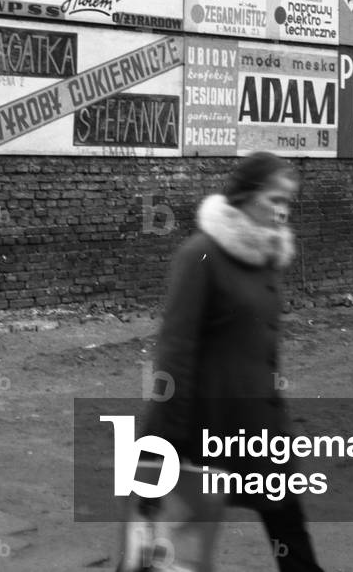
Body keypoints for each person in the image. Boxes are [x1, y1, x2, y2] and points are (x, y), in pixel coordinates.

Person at [140, 151, 326, 572]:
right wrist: (163, 446)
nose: (282, 210)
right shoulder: (201, 255)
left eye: (289, 202)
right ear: (244, 196)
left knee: (292, 538)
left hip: (260, 437)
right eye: (273, 198)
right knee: (166, 554)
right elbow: (174, 351)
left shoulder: (264, 258)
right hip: (206, 432)